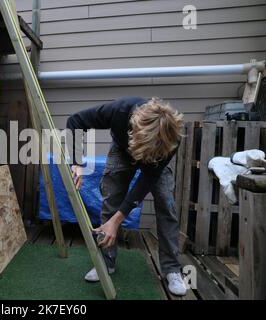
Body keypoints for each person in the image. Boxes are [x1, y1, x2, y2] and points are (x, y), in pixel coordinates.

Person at [67, 96, 187, 296]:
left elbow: (144, 183)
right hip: (123, 149)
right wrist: (76, 162)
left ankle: (171, 269)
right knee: (111, 198)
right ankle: (106, 261)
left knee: (166, 205)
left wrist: (118, 219)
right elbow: (75, 121)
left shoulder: (171, 139)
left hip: (156, 161)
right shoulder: (119, 112)